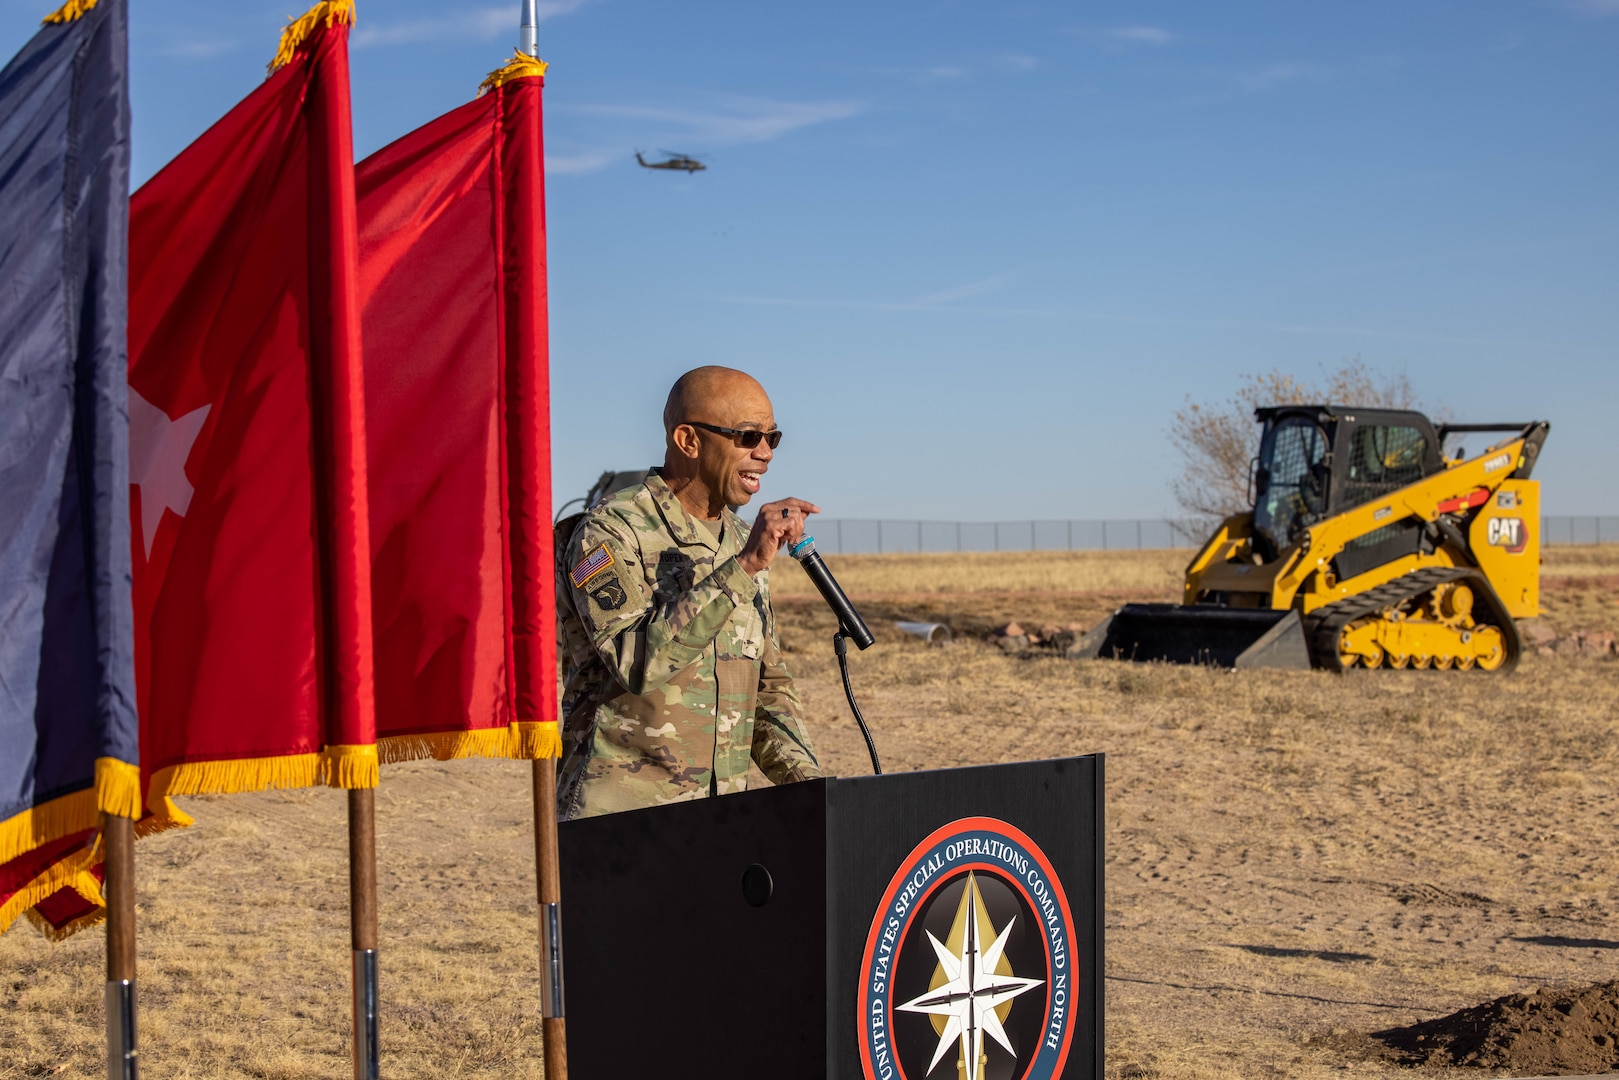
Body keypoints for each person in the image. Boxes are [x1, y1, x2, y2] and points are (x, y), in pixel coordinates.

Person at [554, 366, 824, 819]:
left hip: (717, 823)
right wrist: (742, 570)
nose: (765, 453)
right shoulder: (608, 533)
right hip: (621, 822)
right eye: (748, 436)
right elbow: (637, 662)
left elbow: (767, 690)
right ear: (688, 441)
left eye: (772, 438)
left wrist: (816, 794)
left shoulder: (741, 539)